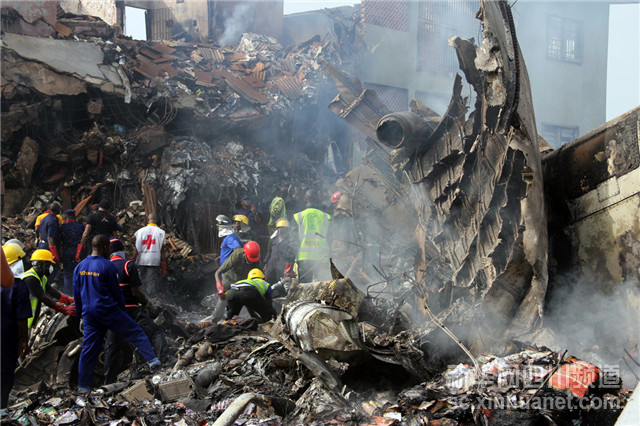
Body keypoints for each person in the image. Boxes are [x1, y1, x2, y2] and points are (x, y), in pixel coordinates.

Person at [73, 235, 160, 392]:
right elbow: (117, 293)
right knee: (137, 333)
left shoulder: (79, 267)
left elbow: (77, 294)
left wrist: (80, 314)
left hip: (89, 315)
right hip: (108, 311)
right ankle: (154, 363)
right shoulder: (108, 267)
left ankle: (83, 387)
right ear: (105, 247)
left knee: (88, 350)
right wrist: (121, 312)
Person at [104, 239, 172, 384]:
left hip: (113, 314)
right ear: (122, 250)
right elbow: (135, 292)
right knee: (155, 332)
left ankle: (108, 382)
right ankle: (164, 362)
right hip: (130, 311)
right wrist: (147, 304)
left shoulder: (105, 267)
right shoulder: (129, 265)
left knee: (112, 347)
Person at [22, 249, 76, 329]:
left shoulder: (41, 278)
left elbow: (51, 290)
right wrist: (63, 309)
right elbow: (43, 298)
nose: (50, 267)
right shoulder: (30, 279)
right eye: (48, 264)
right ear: (40, 264)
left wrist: (68, 299)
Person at [1, 275, 31, 412]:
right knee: (5, 374)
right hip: (6, 337)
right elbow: (21, 318)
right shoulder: (17, 285)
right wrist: (24, 339)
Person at [293, 189, 332, 282]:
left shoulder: (298, 217)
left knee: (305, 290)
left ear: (305, 201)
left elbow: (293, 242)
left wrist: (290, 262)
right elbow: (331, 238)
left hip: (304, 259)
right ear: (318, 201)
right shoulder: (327, 217)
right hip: (322, 259)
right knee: (323, 289)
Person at [131, 212, 167, 293]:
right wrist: (163, 263)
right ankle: (150, 299)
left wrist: (133, 258)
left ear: (148, 220)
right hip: (154, 260)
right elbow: (162, 250)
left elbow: (137, 248)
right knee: (151, 282)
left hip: (142, 260)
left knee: (140, 281)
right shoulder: (161, 232)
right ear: (156, 220)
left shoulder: (140, 231)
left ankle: (140, 299)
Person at [60, 209, 85, 296]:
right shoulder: (81, 227)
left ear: (66, 217)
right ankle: (79, 293)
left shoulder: (63, 227)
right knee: (79, 272)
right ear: (75, 216)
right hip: (77, 251)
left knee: (67, 274)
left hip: (66, 251)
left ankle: (68, 295)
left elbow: (60, 241)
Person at [263, 219, 297, 285]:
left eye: (283, 228)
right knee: (267, 280)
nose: (281, 230)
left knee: (281, 283)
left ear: (287, 229)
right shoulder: (274, 239)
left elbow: (291, 255)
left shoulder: (290, 241)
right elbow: (269, 252)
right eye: (279, 228)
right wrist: (266, 263)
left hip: (282, 264)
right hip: (271, 264)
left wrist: (287, 269)